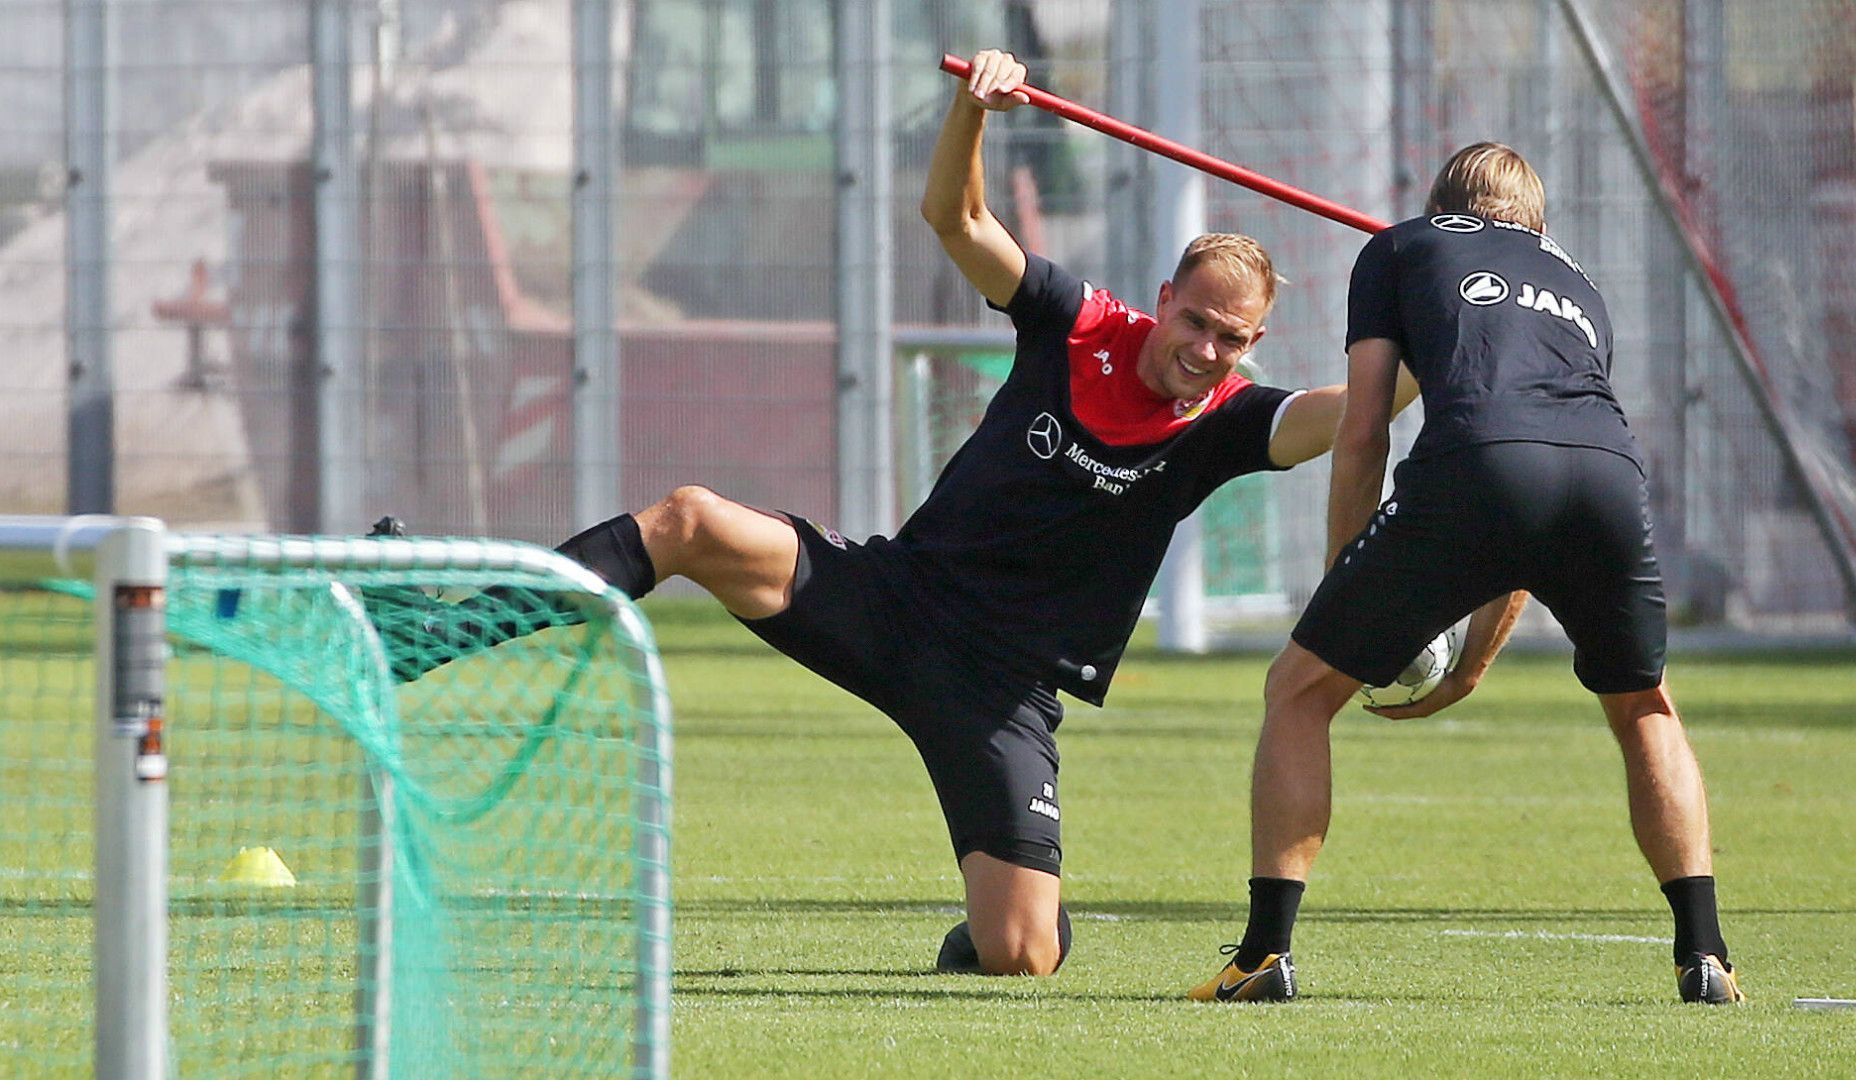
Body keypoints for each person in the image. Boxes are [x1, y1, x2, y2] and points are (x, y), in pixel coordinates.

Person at [370, 48, 1413, 977]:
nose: (1210, 351)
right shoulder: (1073, 319)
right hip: (894, 599)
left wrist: (1445, 312)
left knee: (1020, 954)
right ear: (1164, 297)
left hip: (1001, 690)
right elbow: (953, 219)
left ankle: (1003, 918)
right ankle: (438, 629)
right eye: (1199, 322)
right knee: (688, 519)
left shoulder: (1227, 422)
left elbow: (1348, 412)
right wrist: (977, 111)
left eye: (1236, 340)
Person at [1188, 142, 1743, 1005]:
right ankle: (1705, 956)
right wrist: (1472, 664)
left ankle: (1262, 955)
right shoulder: (1581, 284)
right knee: (1643, 706)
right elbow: (1534, 497)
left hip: (1478, 467)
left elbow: (1365, 427)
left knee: (1298, 691)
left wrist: (1344, 585)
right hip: (1607, 474)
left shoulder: (1400, 246)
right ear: (1535, 223)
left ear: (1441, 200)